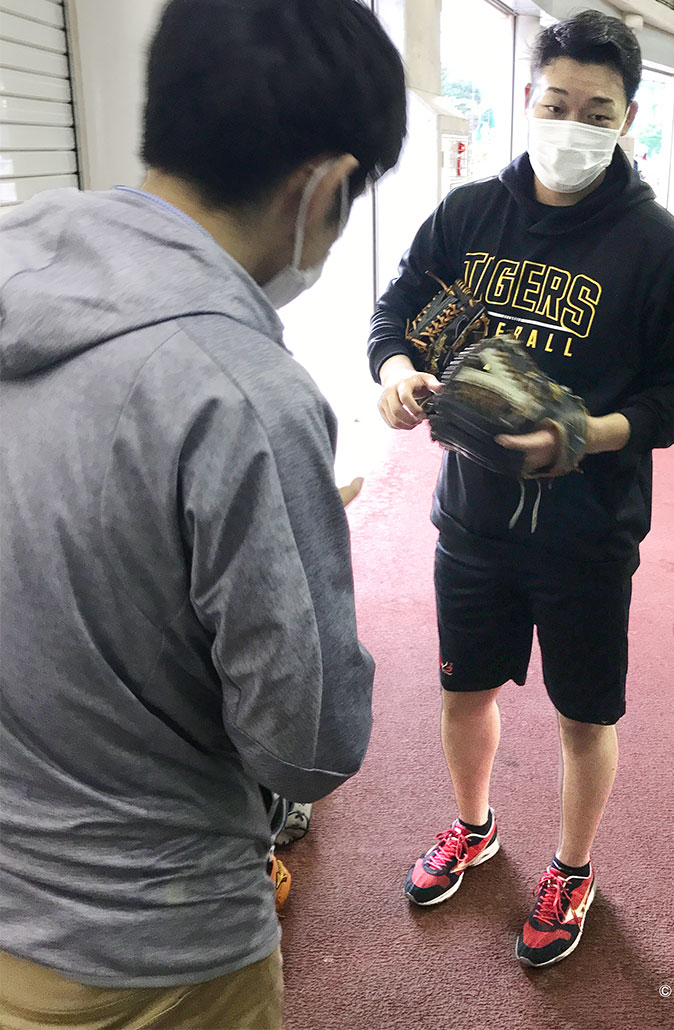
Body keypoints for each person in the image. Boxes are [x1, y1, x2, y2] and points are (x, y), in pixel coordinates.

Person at [0, 1, 405, 1027]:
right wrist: (301, 553)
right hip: (155, 948)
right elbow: (307, 747)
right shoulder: (244, 395)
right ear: (322, 187)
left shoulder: (15, 271)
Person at [368, 11, 674, 969]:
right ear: (530, 100)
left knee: (584, 717)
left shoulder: (659, 247)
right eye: (557, 103)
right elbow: (397, 311)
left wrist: (591, 434)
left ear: (628, 117)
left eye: (597, 111)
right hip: (473, 522)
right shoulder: (468, 216)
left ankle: (572, 869)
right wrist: (396, 372)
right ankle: (474, 825)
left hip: (587, 535)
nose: (573, 124)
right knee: (464, 692)